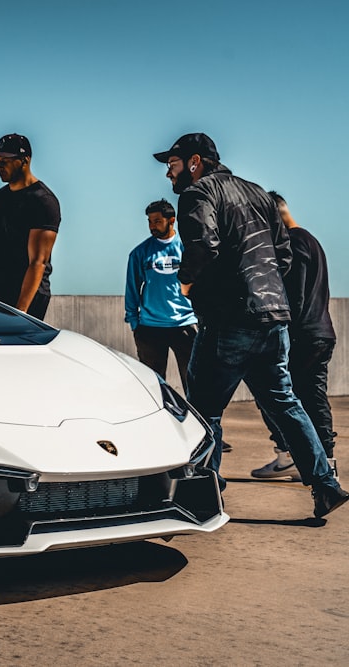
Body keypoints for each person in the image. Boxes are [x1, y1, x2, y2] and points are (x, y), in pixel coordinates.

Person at [153, 132, 347, 518]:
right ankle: (326, 484)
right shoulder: (258, 193)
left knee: (204, 410)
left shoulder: (198, 192)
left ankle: (205, 494)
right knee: (285, 402)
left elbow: (204, 244)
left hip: (229, 319)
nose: (168, 174)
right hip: (274, 319)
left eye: (172, 164)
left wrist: (187, 282)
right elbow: (284, 254)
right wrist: (270, 294)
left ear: (194, 162)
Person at [251, 192, 338, 481]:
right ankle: (318, 460)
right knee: (311, 396)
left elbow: (295, 297)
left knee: (276, 393)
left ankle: (297, 457)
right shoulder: (311, 240)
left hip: (303, 335)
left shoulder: (295, 242)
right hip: (320, 331)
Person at [0, 133, 60, 320]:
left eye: (5, 161)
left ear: (24, 160)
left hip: (27, 300)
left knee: (16, 349)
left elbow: (37, 262)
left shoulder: (43, 201)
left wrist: (20, 312)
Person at [124, 198, 198, 392]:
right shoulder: (140, 253)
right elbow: (132, 288)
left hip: (185, 325)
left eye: (157, 221)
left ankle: (197, 421)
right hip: (150, 328)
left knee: (195, 384)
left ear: (171, 220)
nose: (152, 226)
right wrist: (134, 322)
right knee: (154, 387)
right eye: (149, 221)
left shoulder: (188, 249)